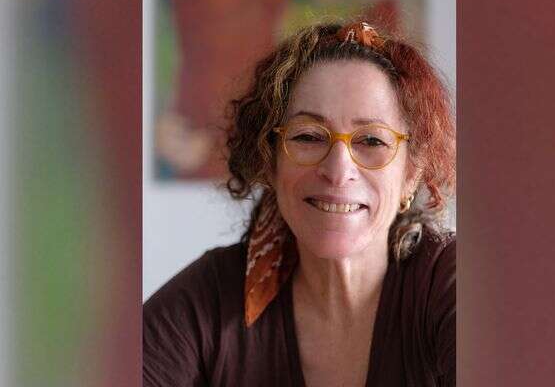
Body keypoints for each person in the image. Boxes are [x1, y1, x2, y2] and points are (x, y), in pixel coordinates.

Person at [143, 20, 456, 387]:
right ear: (270, 162)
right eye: (308, 136)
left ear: (411, 175)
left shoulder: (447, 283)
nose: (338, 171)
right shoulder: (212, 297)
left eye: (372, 141)